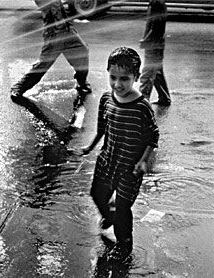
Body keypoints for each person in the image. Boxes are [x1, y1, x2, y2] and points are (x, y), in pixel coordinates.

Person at [82, 47, 159, 261]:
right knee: (97, 195)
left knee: (123, 208)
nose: (118, 84)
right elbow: (101, 129)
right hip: (107, 160)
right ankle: (109, 216)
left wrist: (144, 161)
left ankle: (124, 247)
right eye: (113, 77)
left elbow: (153, 137)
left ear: (136, 77)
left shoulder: (142, 107)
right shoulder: (106, 99)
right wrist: (90, 148)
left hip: (130, 167)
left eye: (124, 79)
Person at [10, 0, 91, 123]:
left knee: (82, 51)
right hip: (53, 34)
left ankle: (82, 82)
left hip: (68, 31)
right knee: (43, 64)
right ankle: (18, 88)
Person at [139, 0, 171, 106]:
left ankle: (142, 102)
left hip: (154, 44)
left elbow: (156, 27)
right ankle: (164, 97)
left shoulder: (157, 4)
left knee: (147, 73)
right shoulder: (157, 3)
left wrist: (146, 40)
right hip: (156, 43)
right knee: (156, 72)